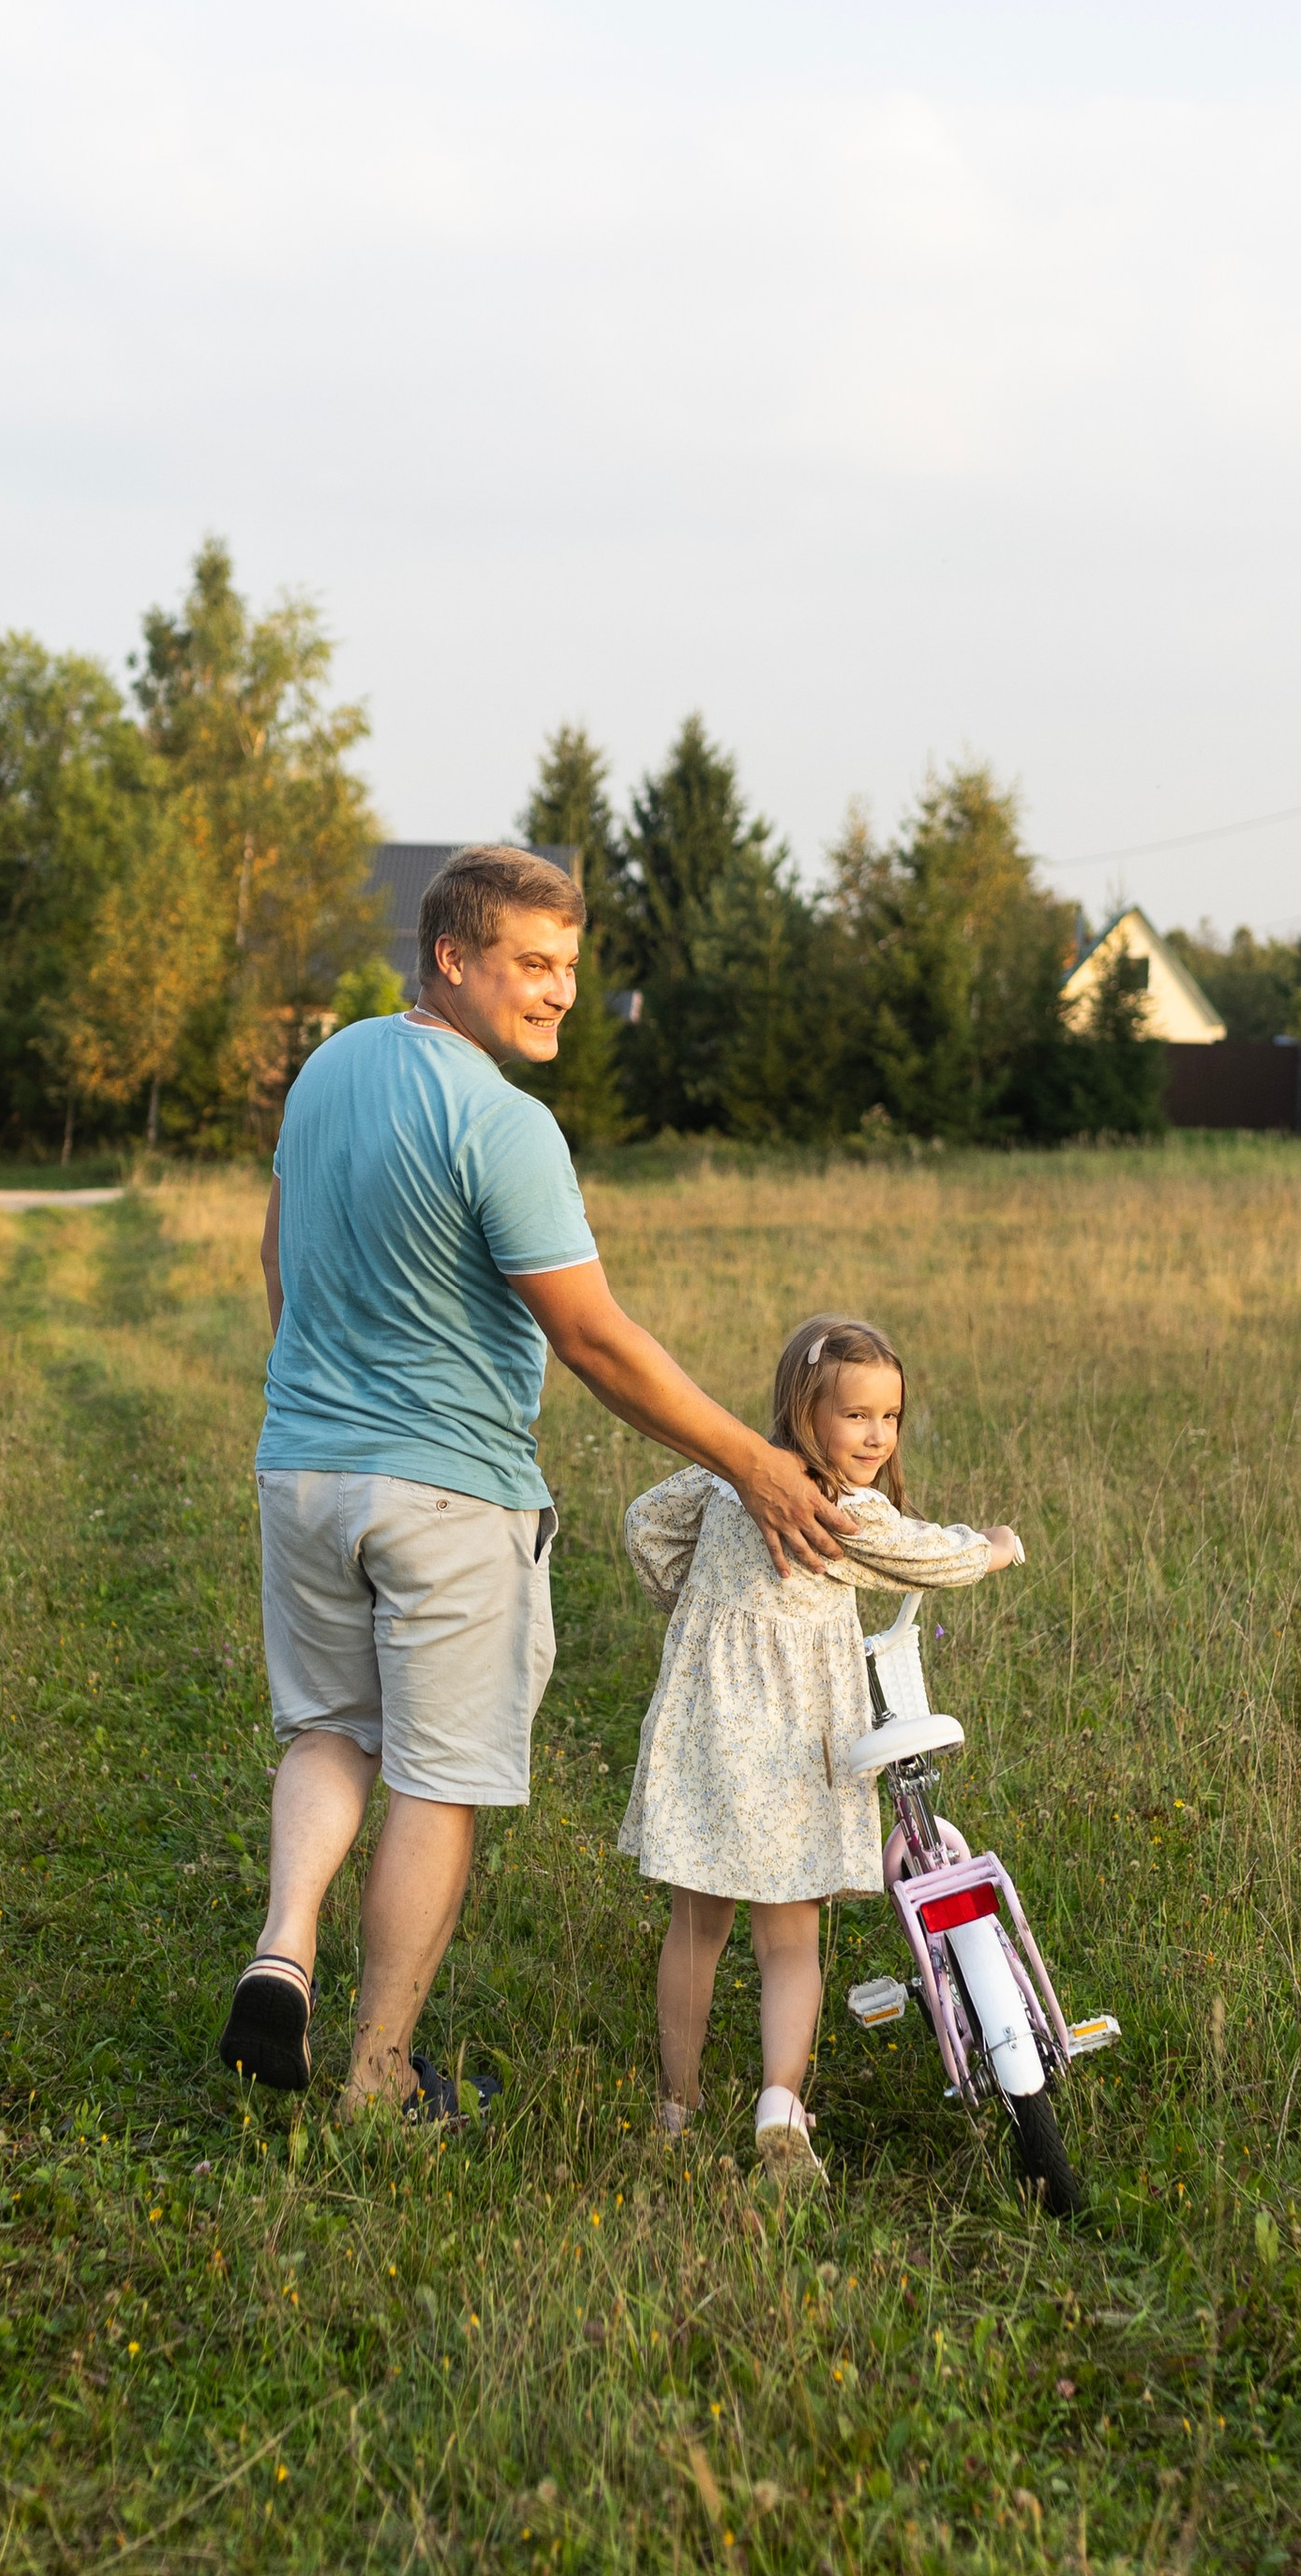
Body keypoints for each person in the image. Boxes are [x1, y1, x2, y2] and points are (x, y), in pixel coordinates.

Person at [217, 844, 856, 2119]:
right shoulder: (503, 1123)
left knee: (329, 1733)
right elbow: (594, 1340)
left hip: (300, 1472)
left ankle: (281, 1950)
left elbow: (280, 1272)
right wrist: (755, 1463)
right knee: (437, 1781)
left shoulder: (328, 1067)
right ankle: (379, 2076)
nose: (557, 992)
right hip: (449, 1498)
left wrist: (317, 1404)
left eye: (569, 967)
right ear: (454, 958)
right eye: (531, 964)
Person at [616, 1312, 1025, 2190]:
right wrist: (988, 1551)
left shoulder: (726, 1481)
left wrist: (696, 1617)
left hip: (705, 1727)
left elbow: (645, 1523)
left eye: (892, 1417)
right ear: (805, 1411)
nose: (877, 1436)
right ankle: (778, 2102)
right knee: (790, 1943)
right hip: (798, 1748)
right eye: (858, 1417)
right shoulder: (839, 1512)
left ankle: (676, 2109)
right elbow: (923, 1557)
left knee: (697, 1927)